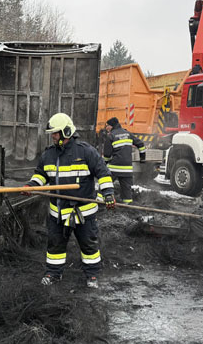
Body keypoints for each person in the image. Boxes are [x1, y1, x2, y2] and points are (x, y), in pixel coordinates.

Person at [24, 112, 115, 288]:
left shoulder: (86, 151)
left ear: (66, 132)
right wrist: (32, 185)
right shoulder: (49, 155)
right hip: (58, 213)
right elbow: (41, 174)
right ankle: (53, 273)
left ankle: (92, 276)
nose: (53, 137)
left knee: (89, 245)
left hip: (84, 212)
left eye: (56, 133)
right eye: (52, 134)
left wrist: (109, 194)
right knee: (55, 246)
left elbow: (103, 173)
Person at [102, 117, 147, 204]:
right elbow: (141, 144)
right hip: (127, 169)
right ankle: (127, 208)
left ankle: (101, 203)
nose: (106, 128)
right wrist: (142, 158)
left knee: (106, 185)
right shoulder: (128, 134)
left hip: (114, 169)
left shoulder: (111, 136)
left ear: (111, 126)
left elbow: (107, 155)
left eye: (107, 126)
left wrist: (105, 164)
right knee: (127, 192)